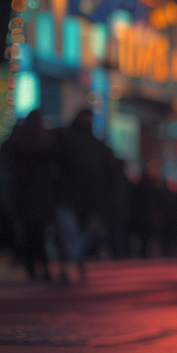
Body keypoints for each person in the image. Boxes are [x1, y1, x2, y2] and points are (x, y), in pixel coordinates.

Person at [56, 110, 119, 281]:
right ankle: (73, 263)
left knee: (77, 234)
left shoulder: (84, 143)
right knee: (73, 233)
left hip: (81, 198)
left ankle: (74, 263)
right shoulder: (86, 144)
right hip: (77, 198)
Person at [1, 110, 58, 281]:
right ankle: (40, 267)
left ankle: (33, 267)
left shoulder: (17, 142)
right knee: (36, 234)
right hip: (36, 194)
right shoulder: (45, 142)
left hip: (27, 194)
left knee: (31, 234)